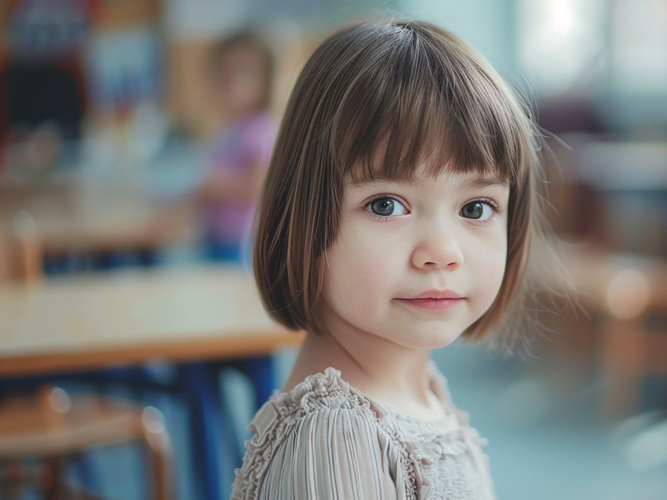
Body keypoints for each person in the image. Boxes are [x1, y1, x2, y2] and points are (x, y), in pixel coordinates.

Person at [231, 19, 568, 499]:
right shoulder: (336, 440)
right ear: (302, 215)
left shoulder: (416, 383)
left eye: (476, 208)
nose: (442, 252)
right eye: (386, 204)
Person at [198, 30, 277, 263]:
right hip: (218, 235)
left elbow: (259, 183)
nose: (227, 79)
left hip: (242, 240)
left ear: (265, 80)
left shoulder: (259, 128)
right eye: (222, 71)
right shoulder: (230, 128)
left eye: (240, 72)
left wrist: (211, 183)